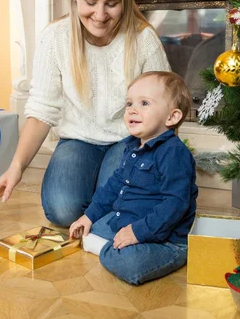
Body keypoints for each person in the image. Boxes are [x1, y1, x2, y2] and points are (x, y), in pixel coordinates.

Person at [0, 0, 171, 225]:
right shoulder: (54, 39)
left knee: (115, 205)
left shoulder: (144, 41)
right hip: (78, 141)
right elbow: (42, 110)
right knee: (62, 209)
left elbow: (163, 111)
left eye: (112, 3)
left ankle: (105, 198)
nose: (100, 15)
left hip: (129, 140)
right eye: (90, 1)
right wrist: (15, 168)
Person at [69, 71, 198, 285]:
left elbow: (175, 204)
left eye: (144, 103)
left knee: (131, 265)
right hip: (129, 221)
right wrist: (88, 216)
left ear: (172, 117)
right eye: (129, 103)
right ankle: (111, 244)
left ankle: (110, 249)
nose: (132, 110)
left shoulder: (174, 153)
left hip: (165, 239)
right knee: (95, 226)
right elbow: (114, 186)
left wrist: (138, 232)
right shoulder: (132, 146)